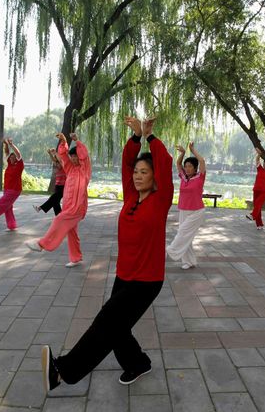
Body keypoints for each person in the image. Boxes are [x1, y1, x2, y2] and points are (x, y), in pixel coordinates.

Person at [40, 116, 173, 392]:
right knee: (117, 327)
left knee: (106, 321)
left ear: (155, 176)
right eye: (136, 172)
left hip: (147, 281)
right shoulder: (130, 196)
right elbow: (126, 162)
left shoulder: (161, 201)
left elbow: (165, 163)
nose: (137, 176)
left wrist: (150, 137)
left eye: (144, 172)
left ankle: (63, 372)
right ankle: (138, 363)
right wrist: (135, 139)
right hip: (124, 274)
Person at [27, 133, 91, 267]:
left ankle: (42, 244)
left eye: (76, 157)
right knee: (72, 232)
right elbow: (63, 156)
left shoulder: (84, 171)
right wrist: (63, 141)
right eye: (72, 157)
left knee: (58, 219)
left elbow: (85, 157)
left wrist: (77, 141)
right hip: (68, 206)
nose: (73, 159)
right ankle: (76, 258)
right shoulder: (70, 169)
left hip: (77, 208)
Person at [167, 142, 206, 270]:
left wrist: (192, 150)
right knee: (186, 237)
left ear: (195, 168)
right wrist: (182, 154)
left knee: (183, 232)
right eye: (186, 166)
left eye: (190, 166)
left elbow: (202, 161)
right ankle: (189, 262)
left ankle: (170, 251)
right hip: (183, 210)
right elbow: (178, 164)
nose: (187, 168)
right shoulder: (183, 177)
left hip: (197, 211)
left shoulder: (200, 177)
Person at [246, 147, 265, 229]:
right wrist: (259, 154)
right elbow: (257, 160)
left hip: (264, 191)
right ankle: (259, 224)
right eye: (264, 163)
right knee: (256, 206)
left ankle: (252, 215)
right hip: (256, 189)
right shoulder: (260, 169)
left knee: (258, 203)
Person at [33, 148, 66, 216]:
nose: (57, 164)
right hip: (57, 185)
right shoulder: (57, 165)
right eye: (56, 163)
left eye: (58, 162)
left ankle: (40, 208)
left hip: (63, 186)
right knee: (55, 201)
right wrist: (50, 154)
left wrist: (55, 153)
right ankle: (59, 216)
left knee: (53, 198)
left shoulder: (63, 165)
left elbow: (60, 160)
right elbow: (54, 160)